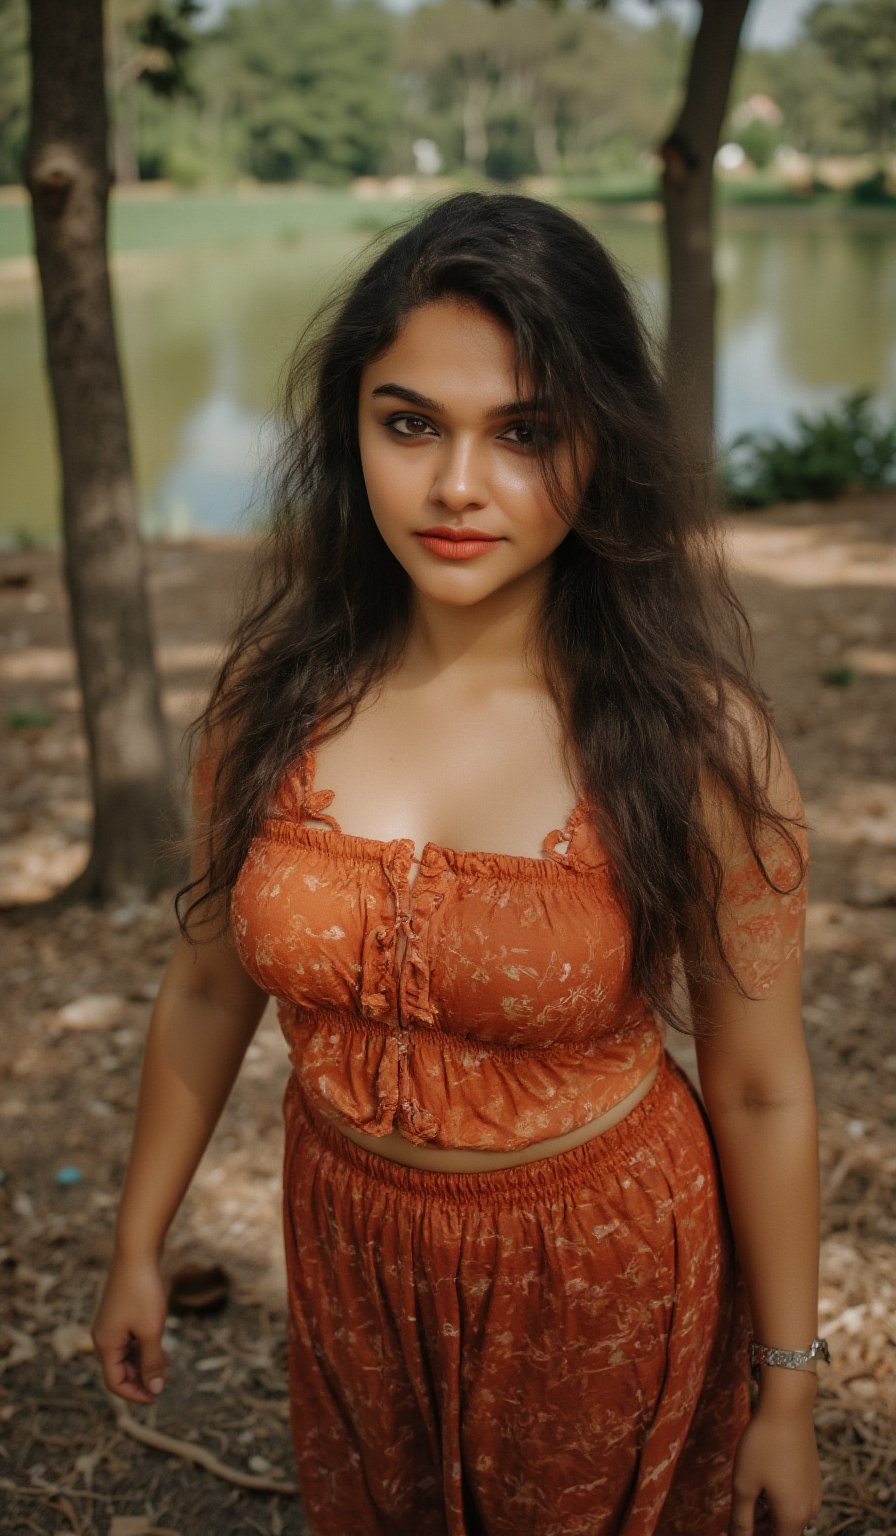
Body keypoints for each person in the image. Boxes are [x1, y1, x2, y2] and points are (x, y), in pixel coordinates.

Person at [92, 191, 825, 1536]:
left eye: (526, 432)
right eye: (410, 421)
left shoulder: (695, 742)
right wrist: (139, 1240)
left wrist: (788, 1388)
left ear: (602, 441)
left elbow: (765, 1087)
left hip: (596, 1279)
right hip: (348, 1257)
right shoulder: (276, 694)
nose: (456, 487)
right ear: (351, 422)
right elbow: (207, 989)